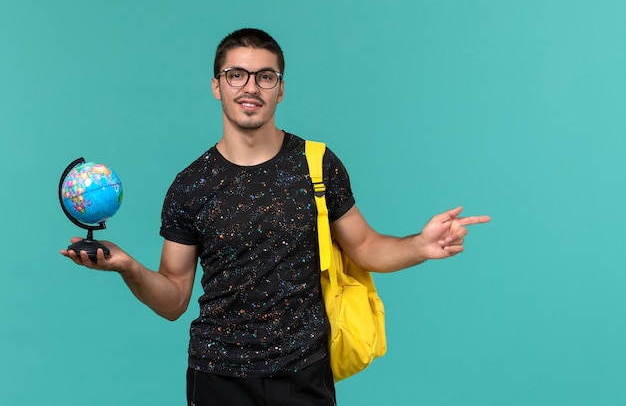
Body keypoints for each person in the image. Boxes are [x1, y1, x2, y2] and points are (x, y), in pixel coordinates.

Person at [61, 28, 490, 406]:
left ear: (280, 89)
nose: (251, 87)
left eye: (266, 76)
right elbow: (174, 298)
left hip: (304, 375)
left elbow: (365, 246)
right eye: (237, 75)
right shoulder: (190, 185)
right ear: (217, 86)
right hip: (217, 377)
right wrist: (127, 267)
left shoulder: (318, 165)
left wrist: (421, 244)